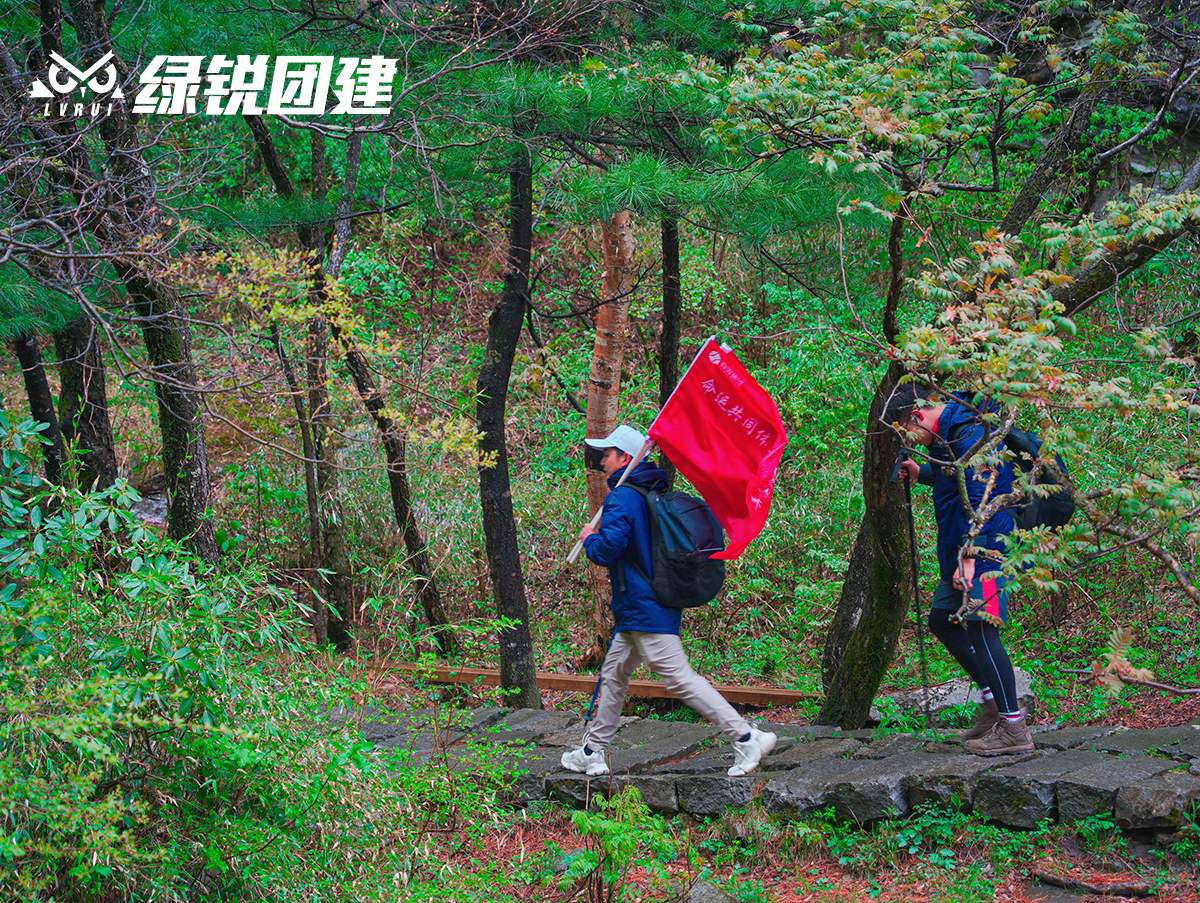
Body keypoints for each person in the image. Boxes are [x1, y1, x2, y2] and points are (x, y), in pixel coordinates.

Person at [560, 424, 777, 777]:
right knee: (614, 676)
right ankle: (592, 750)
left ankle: (747, 736)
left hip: (644, 608)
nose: (601, 461)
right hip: (643, 606)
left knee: (679, 679)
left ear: (625, 458)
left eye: (607, 454)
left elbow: (611, 550)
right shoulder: (647, 494)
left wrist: (589, 539)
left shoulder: (622, 498)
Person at [884, 385, 1034, 756]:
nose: (908, 439)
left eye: (905, 431)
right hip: (960, 549)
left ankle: (1013, 727)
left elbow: (984, 494)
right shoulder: (948, 436)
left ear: (916, 415)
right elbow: (958, 483)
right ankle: (993, 708)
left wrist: (969, 557)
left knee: (982, 629)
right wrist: (922, 473)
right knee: (941, 619)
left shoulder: (969, 430)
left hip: (987, 549)